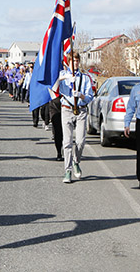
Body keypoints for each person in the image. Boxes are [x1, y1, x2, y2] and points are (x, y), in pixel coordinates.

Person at [58, 52, 94, 183]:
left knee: (80, 141)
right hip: (67, 109)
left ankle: (76, 161)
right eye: (73, 61)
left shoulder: (85, 78)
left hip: (81, 110)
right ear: (68, 62)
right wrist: (64, 78)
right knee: (67, 142)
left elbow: (90, 96)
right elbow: (53, 85)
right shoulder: (63, 75)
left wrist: (81, 95)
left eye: (77, 61)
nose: (76, 63)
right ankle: (67, 171)